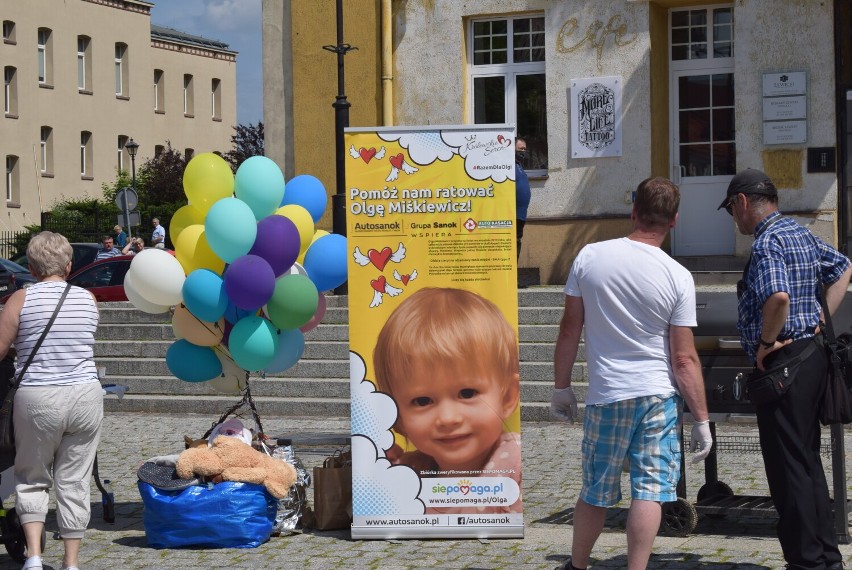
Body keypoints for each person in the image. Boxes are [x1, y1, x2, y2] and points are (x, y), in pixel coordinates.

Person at [552, 177, 713, 570]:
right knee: (650, 491)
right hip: (658, 395)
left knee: (595, 490)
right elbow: (683, 359)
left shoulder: (590, 256)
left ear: (634, 212)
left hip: (608, 393)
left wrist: (561, 387)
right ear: (674, 221)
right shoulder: (678, 275)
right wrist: (702, 420)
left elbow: (570, 327)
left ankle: (577, 564)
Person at [718, 168, 851, 570]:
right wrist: (820, 319)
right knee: (807, 460)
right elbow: (844, 267)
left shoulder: (768, 242)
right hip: (811, 357)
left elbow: (777, 297)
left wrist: (764, 346)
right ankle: (825, 557)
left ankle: (806, 561)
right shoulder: (800, 232)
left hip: (782, 365)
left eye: (731, 209)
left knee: (787, 467)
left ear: (743, 202)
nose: (734, 220)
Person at [0, 231, 103, 570]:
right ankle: (71, 562)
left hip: (39, 397)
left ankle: (33, 556)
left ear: (30, 266)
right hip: (85, 396)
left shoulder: (19, 300)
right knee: (74, 480)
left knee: (32, 476)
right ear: (70, 265)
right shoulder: (88, 299)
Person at [373, 287, 521, 513]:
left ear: (508, 397)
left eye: (467, 393)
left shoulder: (514, 462)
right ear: (396, 416)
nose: (448, 418)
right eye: (423, 401)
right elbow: (364, 509)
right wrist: (375, 468)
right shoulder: (408, 473)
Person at [515, 137, 531, 259]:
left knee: (517, 241)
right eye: (521, 149)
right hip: (513, 215)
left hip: (520, 215)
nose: (523, 152)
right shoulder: (508, 166)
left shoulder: (518, 165)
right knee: (513, 244)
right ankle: (511, 276)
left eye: (525, 149)